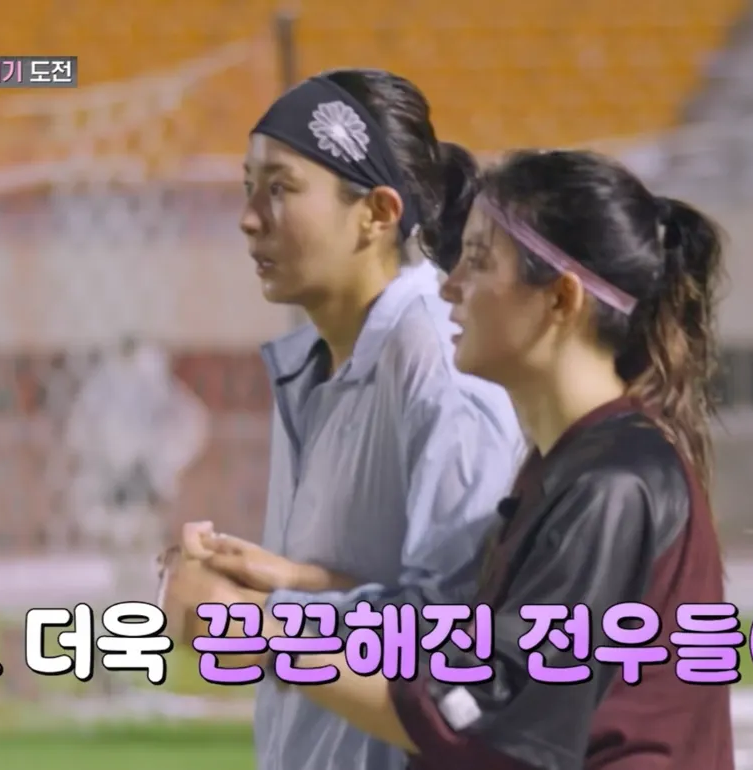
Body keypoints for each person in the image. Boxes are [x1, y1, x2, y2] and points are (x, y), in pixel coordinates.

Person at [166, 149, 735, 770]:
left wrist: (264, 635)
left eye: (480, 260)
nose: (449, 285)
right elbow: (461, 643)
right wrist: (291, 584)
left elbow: (486, 721)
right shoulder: (572, 464)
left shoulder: (613, 484)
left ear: (561, 299)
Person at [164, 69, 525, 770]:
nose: (248, 217)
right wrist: (274, 581)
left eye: (280, 188)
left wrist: (252, 619)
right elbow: (380, 592)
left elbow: (459, 635)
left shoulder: (440, 365)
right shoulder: (315, 360)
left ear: (377, 212)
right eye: (247, 186)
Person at [64, 335, 209, 575]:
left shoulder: (156, 382)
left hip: (145, 476)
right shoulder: (104, 383)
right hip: (114, 477)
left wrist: (160, 465)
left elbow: (190, 425)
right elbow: (80, 430)